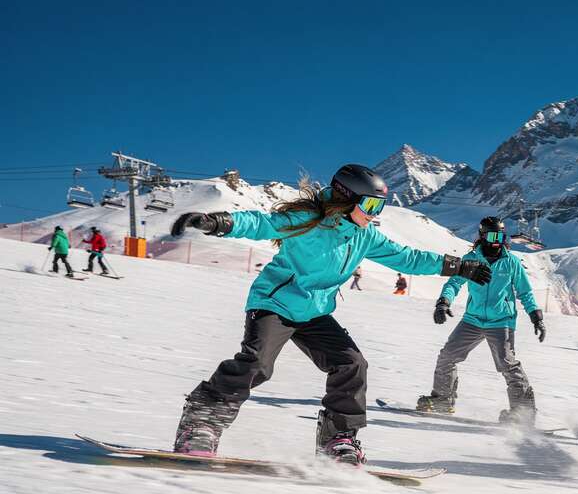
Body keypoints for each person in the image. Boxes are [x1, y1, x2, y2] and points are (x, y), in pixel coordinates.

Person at [165, 164, 491, 463]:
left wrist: (458, 266)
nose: (374, 214)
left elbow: (408, 258)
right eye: (370, 206)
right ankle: (201, 425)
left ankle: (338, 440)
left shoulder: (365, 235)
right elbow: (262, 224)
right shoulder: (307, 220)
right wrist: (218, 222)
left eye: (379, 207)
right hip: (276, 303)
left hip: (316, 312)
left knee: (351, 364)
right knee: (257, 364)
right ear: (347, 200)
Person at [417, 217, 545, 425]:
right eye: (493, 236)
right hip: (473, 320)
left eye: (501, 237)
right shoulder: (471, 260)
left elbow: (525, 292)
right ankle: (442, 399)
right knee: (448, 356)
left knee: (508, 364)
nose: (497, 241)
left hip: (501, 321)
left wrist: (535, 316)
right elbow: (454, 283)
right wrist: (443, 302)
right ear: (482, 236)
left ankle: (523, 412)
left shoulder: (511, 262)